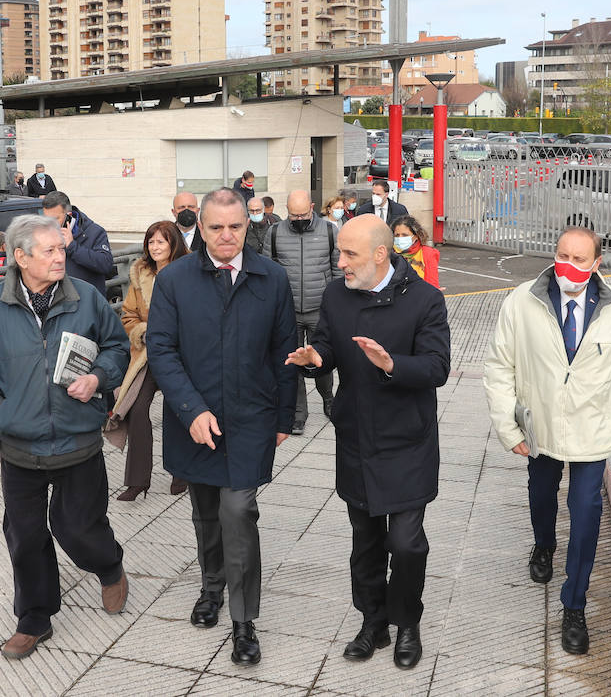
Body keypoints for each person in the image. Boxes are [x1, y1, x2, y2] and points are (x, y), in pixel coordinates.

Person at [0, 214, 132, 660]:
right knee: (26, 535)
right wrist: (0, 409)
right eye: (50, 250)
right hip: (19, 446)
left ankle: (109, 566)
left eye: (62, 248)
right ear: (21, 257)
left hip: (78, 440)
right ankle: (34, 618)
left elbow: (117, 348)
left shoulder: (87, 298)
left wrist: (97, 378)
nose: (61, 256)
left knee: (78, 528)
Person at [285, 214, 451, 670]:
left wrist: (391, 363)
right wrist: (315, 358)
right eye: (340, 252)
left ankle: (407, 623)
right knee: (366, 541)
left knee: (406, 542)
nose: (340, 263)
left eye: (349, 254)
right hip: (357, 437)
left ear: (381, 254)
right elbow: (327, 344)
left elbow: (437, 368)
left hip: (407, 442)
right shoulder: (338, 294)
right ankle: (373, 622)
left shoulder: (425, 300)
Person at [146, 188, 297, 666]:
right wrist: (191, 411)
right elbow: (161, 350)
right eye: (216, 227)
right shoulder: (174, 280)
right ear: (201, 228)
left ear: (246, 225)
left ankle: (243, 619)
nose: (227, 235)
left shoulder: (272, 278)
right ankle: (210, 586)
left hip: (252, 419)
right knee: (206, 511)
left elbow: (285, 352)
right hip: (196, 420)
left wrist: (285, 416)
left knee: (238, 511)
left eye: (235, 226)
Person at [481, 227, 611, 657]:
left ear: (597, 264)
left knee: (586, 513)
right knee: (541, 493)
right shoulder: (523, 301)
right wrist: (508, 428)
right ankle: (543, 543)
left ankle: (574, 604)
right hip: (541, 425)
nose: (568, 266)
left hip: (593, 429)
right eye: (562, 255)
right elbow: (500, 367)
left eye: (579, 259)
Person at [105, 221, 189, 500]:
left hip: (182, 355)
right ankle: (137, 481)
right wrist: (143, 332)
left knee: (178, 410)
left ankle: (181, 470)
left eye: (161, 242)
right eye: (151, 242)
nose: (154, 247)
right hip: (149, 353)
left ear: (173, 244)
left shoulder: (190, 271)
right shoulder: (140, 272)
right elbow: (128, 315)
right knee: (137, 409)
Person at [267, 190, 340, 434]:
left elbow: (338, 270)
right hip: (287, 312)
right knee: (292, 363)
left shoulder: (329, 231)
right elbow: (267, 273)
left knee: (322, 360)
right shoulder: (275, 232)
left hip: (321, 310)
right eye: (293, 215)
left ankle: (329, 400)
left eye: (303, 214)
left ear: (312, 207)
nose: (298, 219)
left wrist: (336, 305)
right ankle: (298, 414)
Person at [40, 191, 116, 295]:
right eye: (46, 219)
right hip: (57, 301)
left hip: (87, 300)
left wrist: (73, 246)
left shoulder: (95, 232)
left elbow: (105, 264)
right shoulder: (43, 233)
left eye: (55, 219)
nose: (50, 224)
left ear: (69, 215)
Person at [392, 216, 440, 288]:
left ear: (416, 235)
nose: (400, 238)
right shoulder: (390, 254)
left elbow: (432, 284)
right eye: (397, 235)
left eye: (405, 235)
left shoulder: (428, 253)